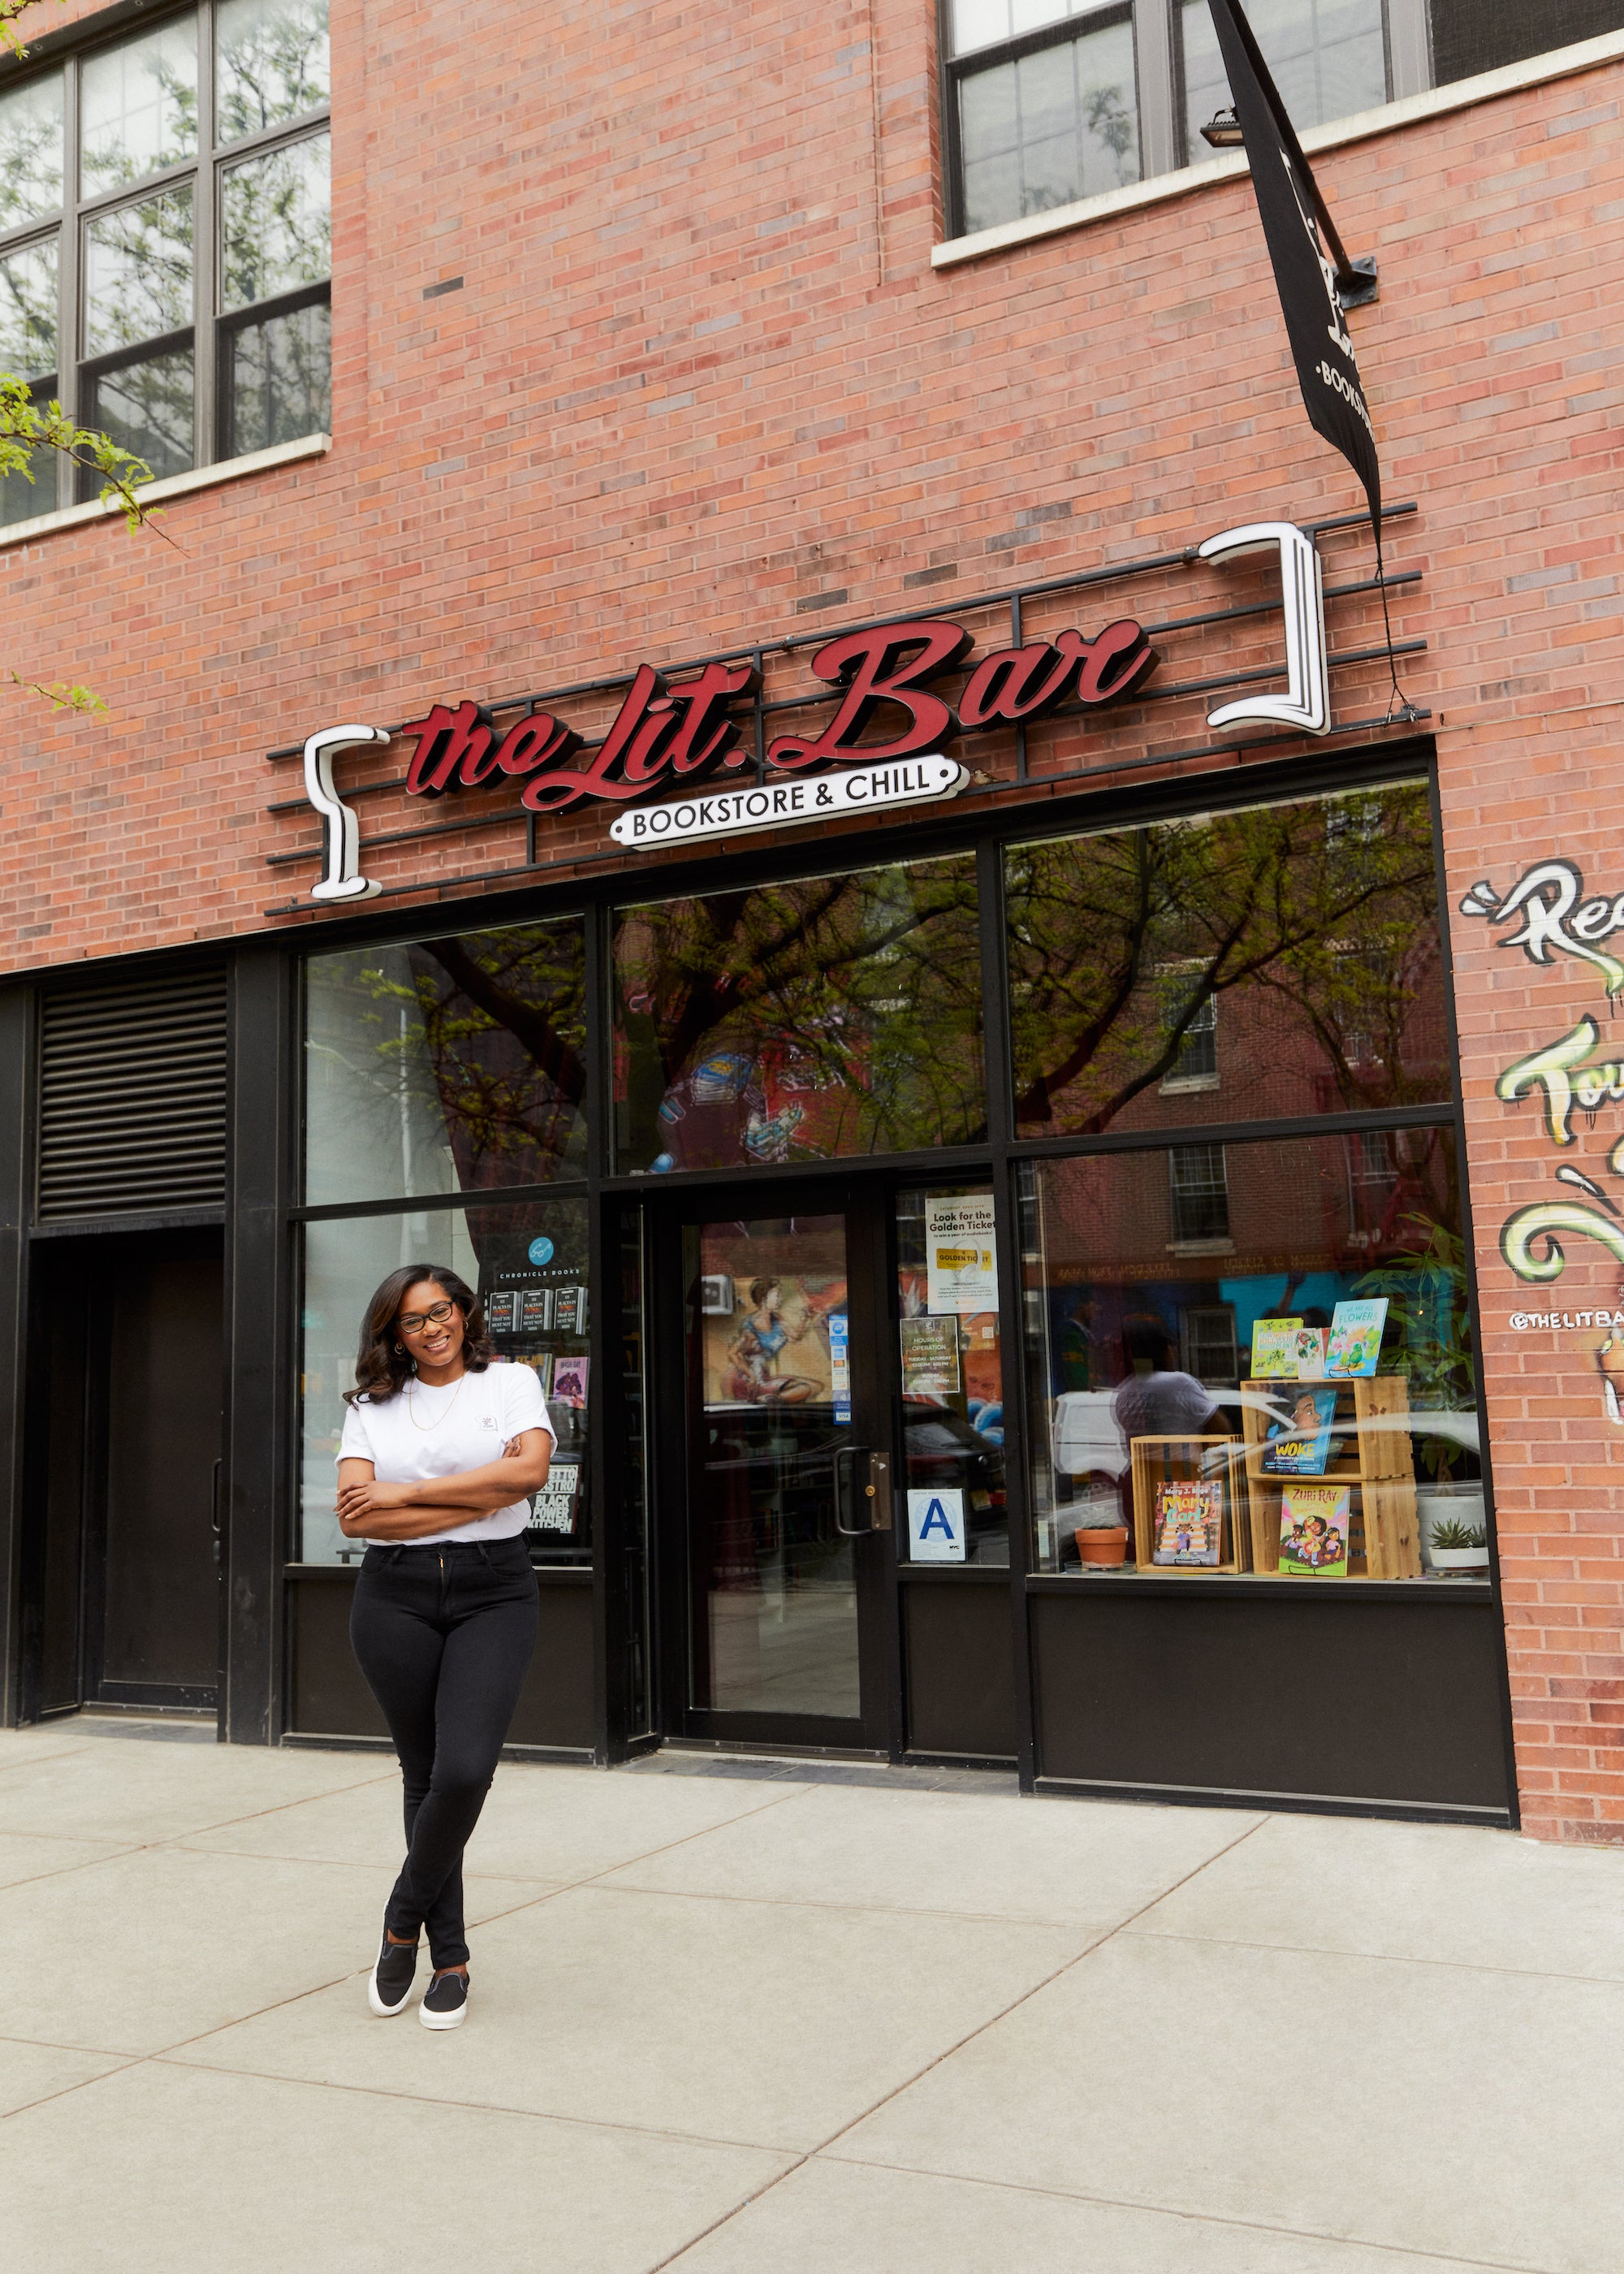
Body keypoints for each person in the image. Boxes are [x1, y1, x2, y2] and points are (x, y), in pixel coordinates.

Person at [335, 1264, 554, 2030]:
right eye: (412, 1320)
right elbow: (357, 1520)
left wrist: (403, 1495)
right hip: (392, 1595)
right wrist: (470, 1496)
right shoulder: (371, 1406)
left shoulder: (511, 1383)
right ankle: (449, 1959)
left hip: (495, 1590)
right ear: (393, 1333)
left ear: (464, 1311)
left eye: (442, 1311)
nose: (433, 1329)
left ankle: (400, 1921)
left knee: (463, 1771)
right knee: (424, 1774)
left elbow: (527, 1473)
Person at [1110, 1316, 1224, 1441]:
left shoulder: (1123, 1391)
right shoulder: (1178, 1383)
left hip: (1137, 1460)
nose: (1173, 1351)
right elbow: (1222, 1429)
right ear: (1162, 1349)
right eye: (1170, 1344)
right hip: (1178, 1460)